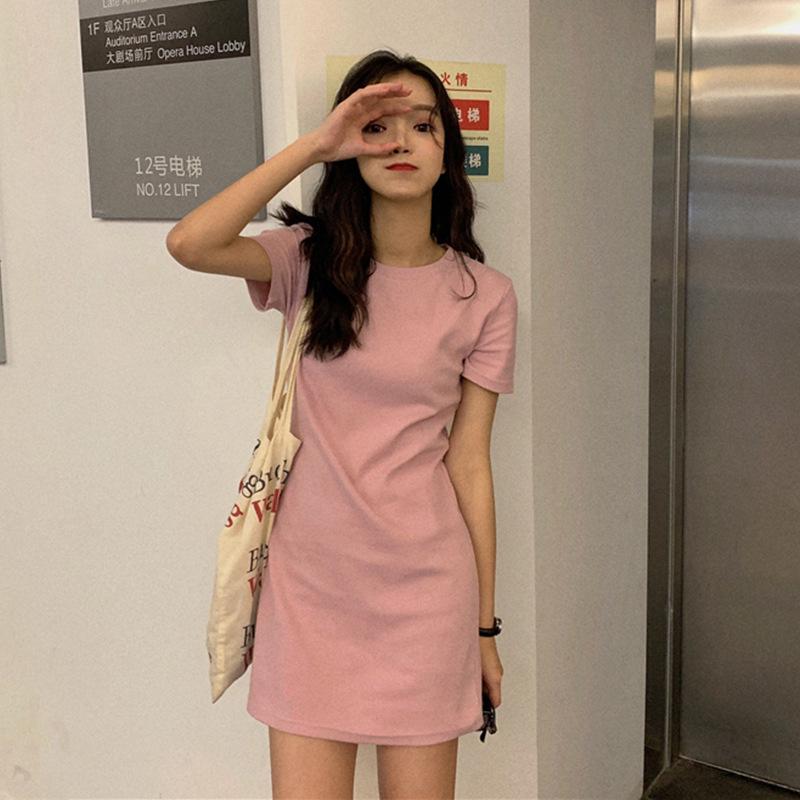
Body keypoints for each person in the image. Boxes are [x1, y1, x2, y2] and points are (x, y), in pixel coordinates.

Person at [166, 48, 517, 800]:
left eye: (421, 125)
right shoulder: (306, 263)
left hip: (426, 595)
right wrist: (315, 146)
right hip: (310, 591)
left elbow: (470, 463)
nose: (399, 142)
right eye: (376, 126)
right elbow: (190, 243)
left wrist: (484, 631)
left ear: (448, 150)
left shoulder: (484, 295)